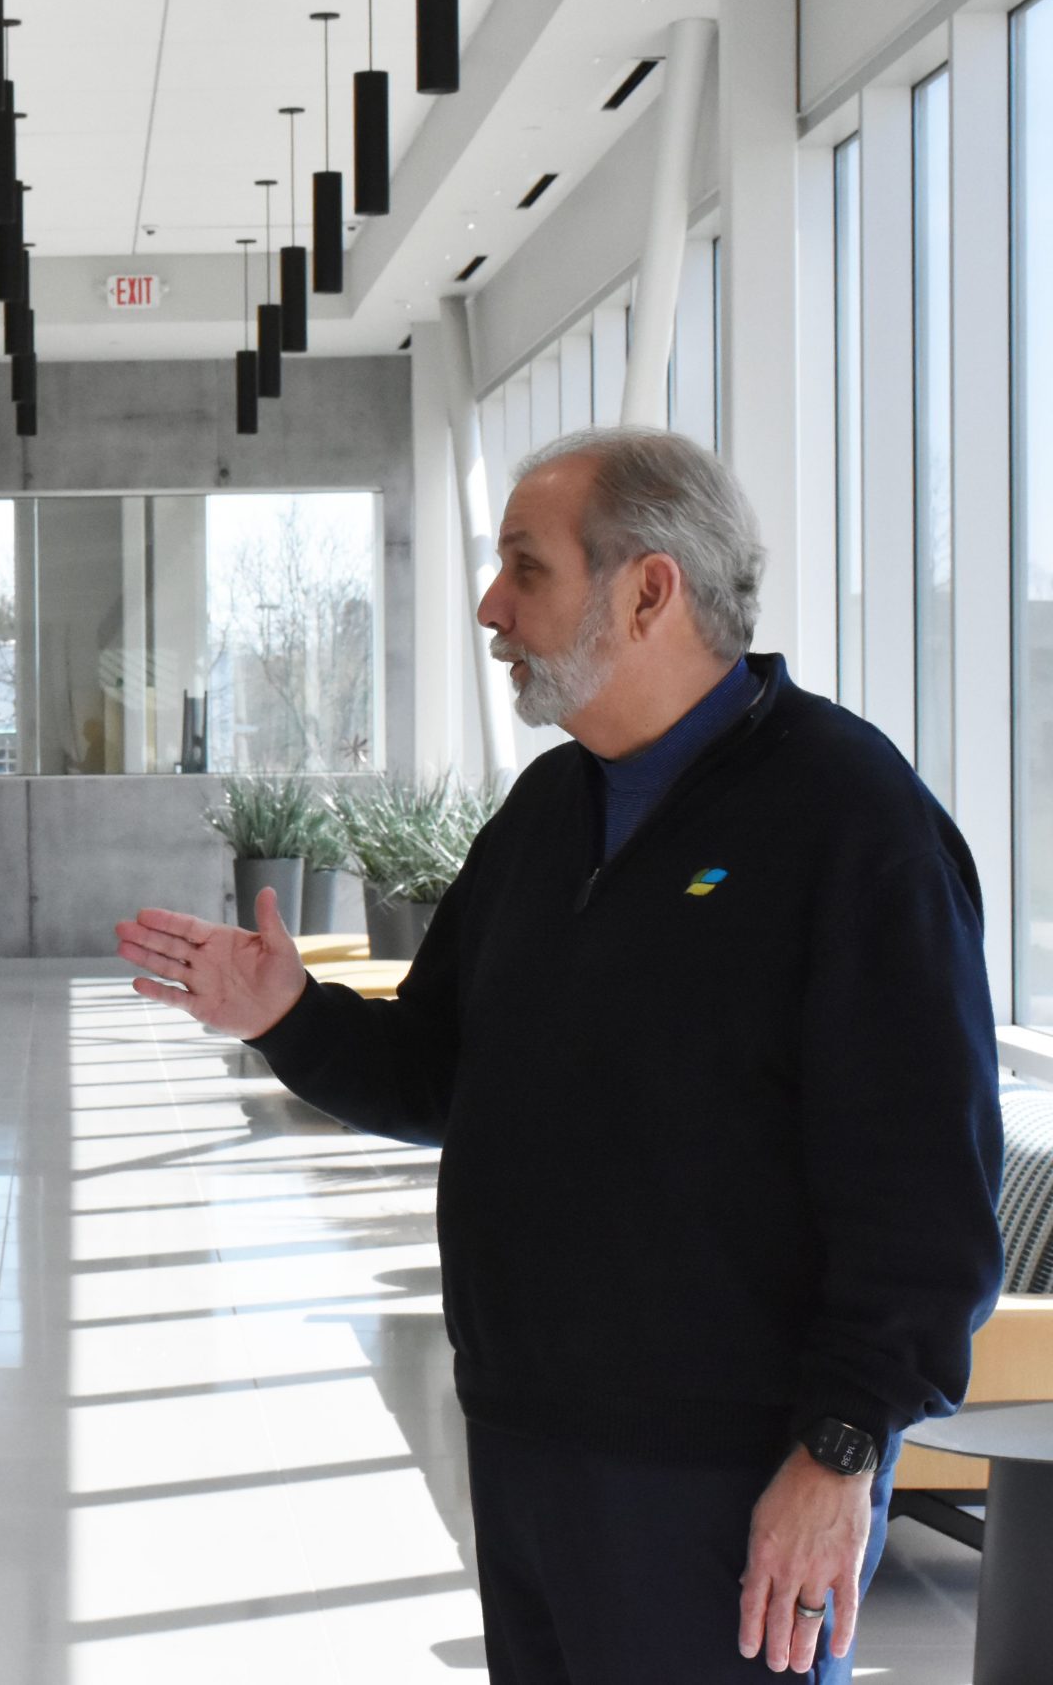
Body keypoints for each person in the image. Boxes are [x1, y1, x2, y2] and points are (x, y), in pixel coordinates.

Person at [116, 426, 1003, 1683]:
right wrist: (288, 1015)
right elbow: (440, 1072)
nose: (491, 606)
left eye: (524, 569)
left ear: (649, 591)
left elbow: (924, 1194)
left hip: (730, 1473)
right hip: (524, 1437)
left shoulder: (852, 824)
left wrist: (839, 1453)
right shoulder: (549, 810)